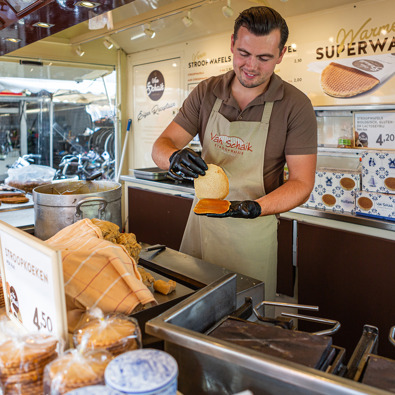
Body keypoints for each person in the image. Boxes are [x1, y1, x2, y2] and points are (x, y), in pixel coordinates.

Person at [152, 6, 317, 304]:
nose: (251, 65)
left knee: (243, 319)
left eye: (264, 58)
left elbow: (302, 183)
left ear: (281, 55)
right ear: (232, 44)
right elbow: (162, 144)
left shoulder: (295, 105)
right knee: (189, 308)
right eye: (243, 53)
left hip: (251, 233)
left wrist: (253, 208)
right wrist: (173, 157)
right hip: (201, 225)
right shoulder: (207, 92)